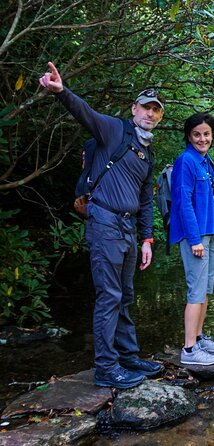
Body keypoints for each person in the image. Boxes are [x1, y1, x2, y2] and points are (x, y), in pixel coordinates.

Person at [39, 62, 163, 388]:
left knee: (125, 295)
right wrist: (61, 91)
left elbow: (147, 201)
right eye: (145, 108)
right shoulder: (114, 130)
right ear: (134, 109)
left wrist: (148, 239)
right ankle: (107, 368)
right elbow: (86, 113)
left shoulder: (147, 154)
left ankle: (128, 356)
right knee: (109, 296)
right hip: (104, 223)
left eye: (155, 111)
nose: (150, 114)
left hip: (128, 231)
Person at [170, 113, 214, 366]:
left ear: (212, 136)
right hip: (196, 235)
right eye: (197, 134)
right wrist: (194, 240)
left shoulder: (204, 160)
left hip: (210, 231)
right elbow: (182, 202)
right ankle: (189, 350)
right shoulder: (186, 160)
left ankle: (199, 337)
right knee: (195, 292)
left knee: (205, 290)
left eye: (206, 134)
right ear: (189, 136)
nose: (202, 138)